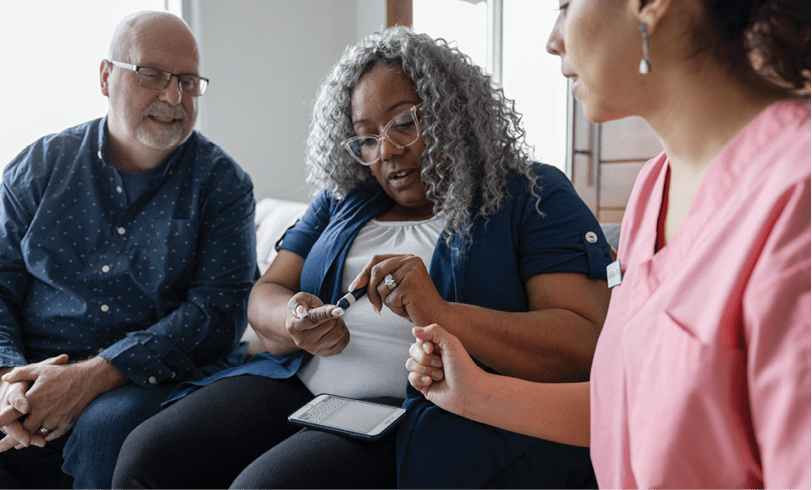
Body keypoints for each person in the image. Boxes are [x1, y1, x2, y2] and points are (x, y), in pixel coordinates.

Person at [113, 26, 612, 489]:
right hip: (301, 384)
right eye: (367, 138)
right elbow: (266, 292)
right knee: (146, 456)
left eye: (403, 124)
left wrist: (441, 315)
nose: (387, 153)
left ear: (452, 111)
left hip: (419, 411)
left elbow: (582, 343)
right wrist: (294, 320)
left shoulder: (529, 193)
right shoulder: (342, 199)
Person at [406, 0, 811, 488]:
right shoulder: (652, 187)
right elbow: (629, 406)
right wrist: (474, 392)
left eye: (565, 5)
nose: (553, 39)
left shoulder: (795, 197)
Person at [0, 11, 257, 489]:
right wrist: (13, 381)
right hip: (32, 364)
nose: (172, 96)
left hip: (147, 380)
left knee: (106, 429)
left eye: (187, 81)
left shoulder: (223, 185)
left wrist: (93, 376)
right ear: (105, 77)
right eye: (151, 75)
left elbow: (218, 314)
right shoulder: (38, 168)